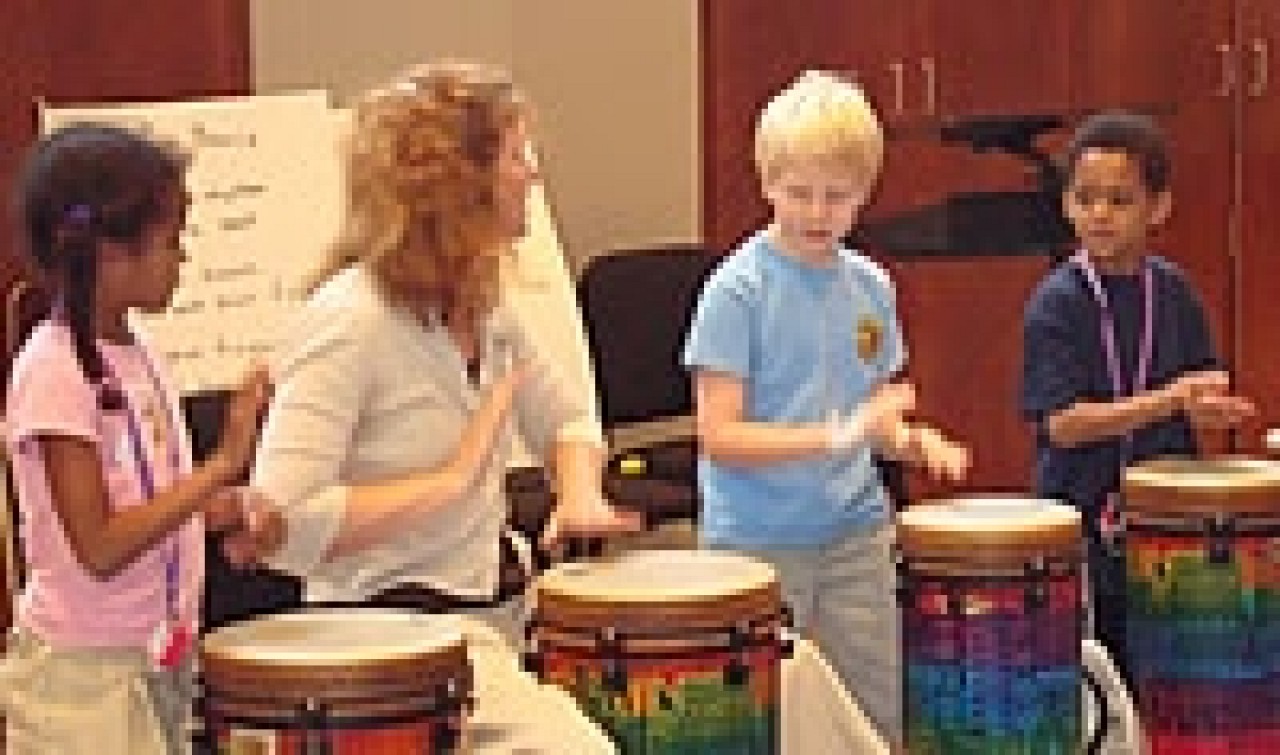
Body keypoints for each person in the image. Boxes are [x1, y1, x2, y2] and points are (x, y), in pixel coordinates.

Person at [249, 62, 640, 635]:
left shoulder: (486, 306)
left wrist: (579, 495)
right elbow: (282, 523)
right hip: (378, 634)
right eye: (514, 156)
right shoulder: (347, 323)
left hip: (484, 611)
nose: (532, 173)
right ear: (462, 187)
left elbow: (567, 420)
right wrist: (447, 485)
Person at [682, 70, 969, 746]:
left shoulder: (871, 287)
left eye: (836, 197)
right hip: (755, 538)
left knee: (876, 704)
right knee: (756, 714)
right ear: (766, 183)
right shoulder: (737, 290)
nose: (816, 212)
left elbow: (872, 414)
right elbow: (719, 434)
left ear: (864, 194)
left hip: (855, 533)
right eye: (798, 193)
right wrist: (842, 433)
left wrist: (910, 441)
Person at [0, 124, 278, 755]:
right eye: (172, 240)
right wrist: (221, 466)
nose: (183, 258)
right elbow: (98, 545)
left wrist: (222, 512)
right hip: (82, 683)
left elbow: (145, 504)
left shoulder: (137, 350)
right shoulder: (53, 370)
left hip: (153, 659)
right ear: (108, 253)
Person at [1022, 111, 1255, 675]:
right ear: (1066, 204)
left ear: (1158, 207)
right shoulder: (1058, 300)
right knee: (1097, 678)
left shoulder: (1174, 292)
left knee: (1171, 675)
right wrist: (1170, 399)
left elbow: (1199, 388)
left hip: (1166, 525)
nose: (1099, 213)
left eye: (1120, 200)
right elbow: (1062, 423)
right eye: (1085, 197)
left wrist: (1208, 407)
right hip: (1080, 521)